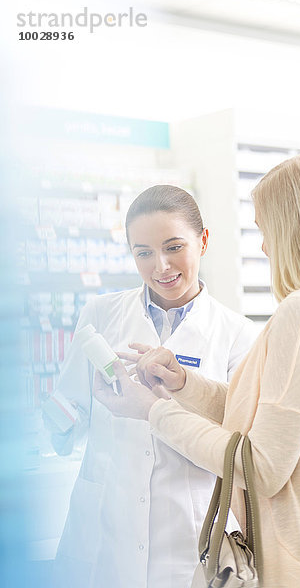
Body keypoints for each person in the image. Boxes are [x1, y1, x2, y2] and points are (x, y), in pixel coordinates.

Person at [95, 154, 300, 588]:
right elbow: (272, 414)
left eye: (264, 229)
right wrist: (184, 384)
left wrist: (152, 411)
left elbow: (260, 466)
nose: (263, 246)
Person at [46, 185, 256, 588]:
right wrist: (59, 419)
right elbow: (67, 418)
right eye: (143, 252)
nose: (160, 266)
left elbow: (237, 448)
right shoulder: (100, 314)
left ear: (203, 241)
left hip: (187, 536)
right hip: (104, 530)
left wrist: (167, 400)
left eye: (174, 247)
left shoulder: (237, 335)